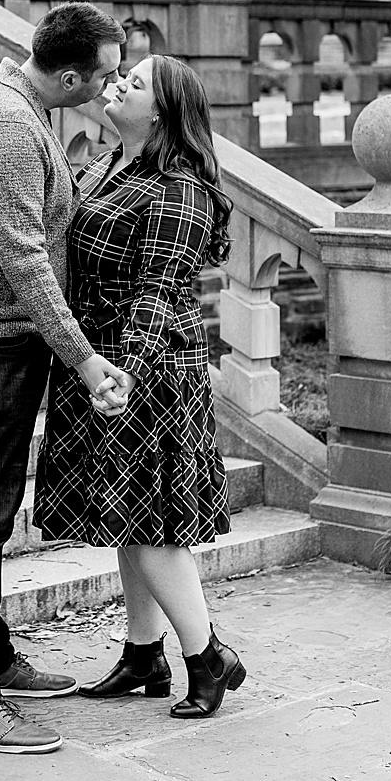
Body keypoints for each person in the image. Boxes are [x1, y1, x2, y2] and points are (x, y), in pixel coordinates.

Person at [0, 1, 131, 754]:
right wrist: (81, 355)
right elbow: (23, 261)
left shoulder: (24, 105)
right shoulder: (9, 124)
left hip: (0, 345)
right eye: (105, 75)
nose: (112, 87)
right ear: (69, 73)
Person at [32, 53, 247, 719]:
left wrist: (125, 369)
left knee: (150, 523)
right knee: (126, 514)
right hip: (103, 359)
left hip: (150, 368)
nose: (117, 83)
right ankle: (142, 652)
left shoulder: (179, 188)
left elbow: (157, 292)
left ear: (162, 112)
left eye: (135, 83)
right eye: (120, 74)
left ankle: (207, 655)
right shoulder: (107, 165)